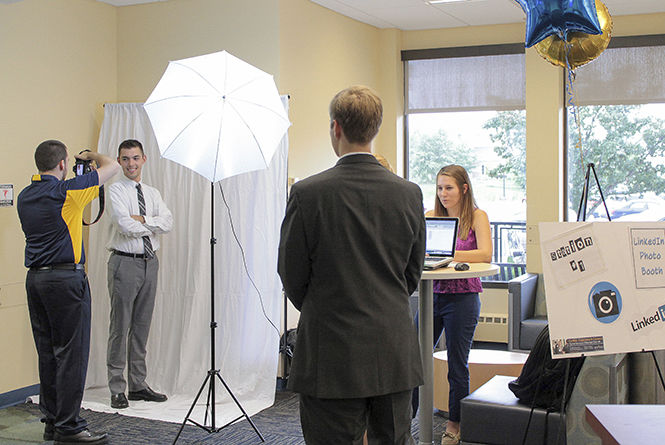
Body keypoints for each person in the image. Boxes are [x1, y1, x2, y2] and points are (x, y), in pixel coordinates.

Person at [278, 85, 426, 445]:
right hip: (392, 349)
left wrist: (323, 307)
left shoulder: (308, 193)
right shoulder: (409, 193)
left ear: (336, 128)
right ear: (374, 130)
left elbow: (291, 272)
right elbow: (412, 273)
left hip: (330, 352)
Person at [17, 140, 120, 444]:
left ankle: (52, 421)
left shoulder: (25, 196)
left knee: (48, 353)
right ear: (62, 164)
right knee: (71, 355)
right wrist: (90, 157)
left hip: (35, 281)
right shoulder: (68, 191)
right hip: (65, 281)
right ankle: (70, 426)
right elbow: (111, 166)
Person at [425, 165, 492, 445]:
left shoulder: (477, 216)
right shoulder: (430, 216)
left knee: (457, 365)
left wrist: (448, 253)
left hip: (463, 297)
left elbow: (486, 253)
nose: (443, 194)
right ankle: (409, 417)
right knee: (414, 359)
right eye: (440, 188)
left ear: (464, 188)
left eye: (449, 188)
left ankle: (455, 424)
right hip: (433, 294)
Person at [105, 139, 173, 409]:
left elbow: (168, 223)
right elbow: (123, 225)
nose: (130, 164)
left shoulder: (152, 193)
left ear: (144, 159)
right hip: (124, 263)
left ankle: (138, 385)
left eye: (135, 158)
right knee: (120, 327)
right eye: (125, 159)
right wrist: (151, 225)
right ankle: (116, 387)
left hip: (149, 262)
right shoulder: (115, 191)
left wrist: (143, 220)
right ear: (119, 161)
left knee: (142, 327)